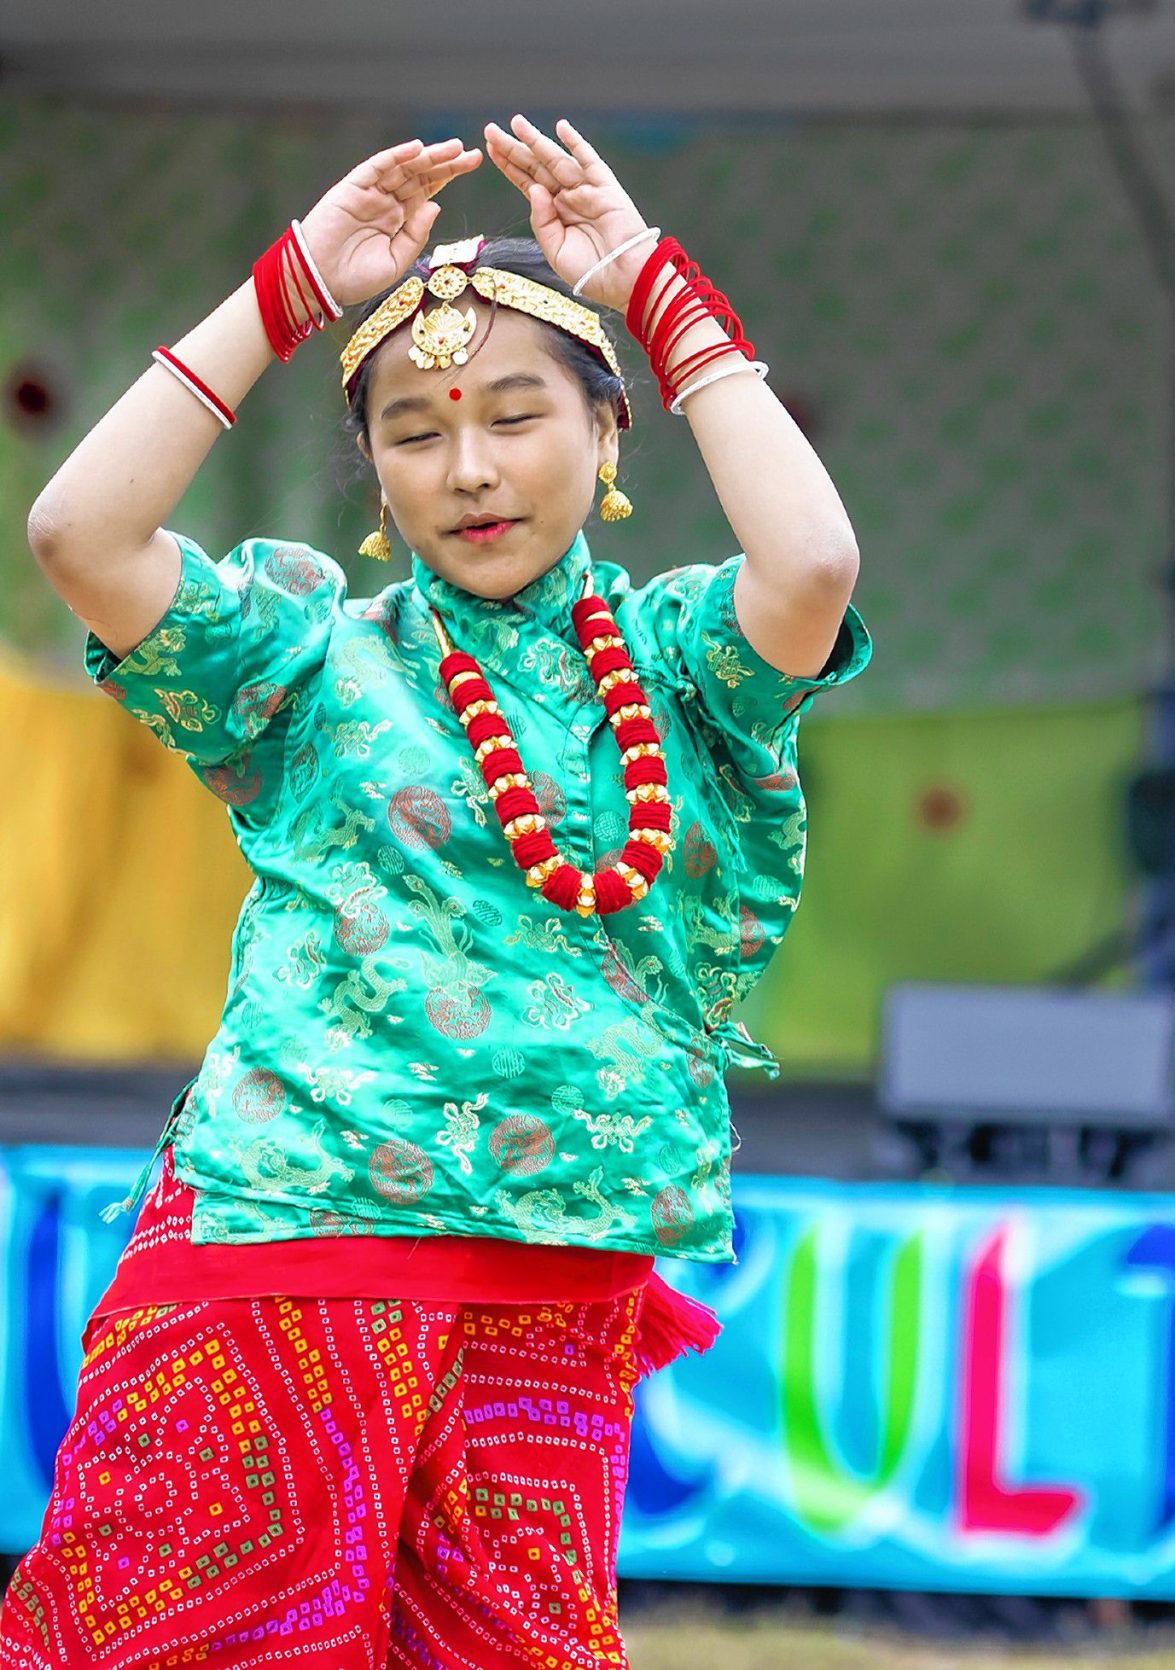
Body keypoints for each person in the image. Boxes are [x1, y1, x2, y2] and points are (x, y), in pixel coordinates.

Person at [4, 116, 865, 1667]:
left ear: (610, 438)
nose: (468, 468)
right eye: (413, 431)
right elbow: (78, 532)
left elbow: (810, 567)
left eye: (517, 416)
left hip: (552, 1280)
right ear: (377, 480)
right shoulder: (309, 657)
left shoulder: (679, 666)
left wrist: (650, 285)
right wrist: (284, 294)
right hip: (284, 1250)